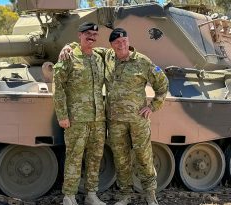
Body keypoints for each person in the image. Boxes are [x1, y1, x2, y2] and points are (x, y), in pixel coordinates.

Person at [106, 28, 168, 205]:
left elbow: (162, 83)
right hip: (116, 121)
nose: (122, 44)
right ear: (111, 45)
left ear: (128, 40)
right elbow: (86, 46)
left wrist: (153, 106)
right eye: (117, 42)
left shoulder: (142, 61)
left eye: (124, 40)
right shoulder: (108, 58)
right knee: (121, 158)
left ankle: (150, 194)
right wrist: (69, 47)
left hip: (138, 121)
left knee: (144, 156)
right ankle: (125, 194)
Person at [53, 22, 107, 205]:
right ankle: (69, 196)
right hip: (76, 119)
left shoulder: (99, 58)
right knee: (74, 157)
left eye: (94, 34)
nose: (91, 37)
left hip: (98, 119)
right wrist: (62, 115)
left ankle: (91, 195)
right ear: (79, 35)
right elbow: (58, 86)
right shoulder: (68, 56)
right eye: (87, 34)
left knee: (95, 157)